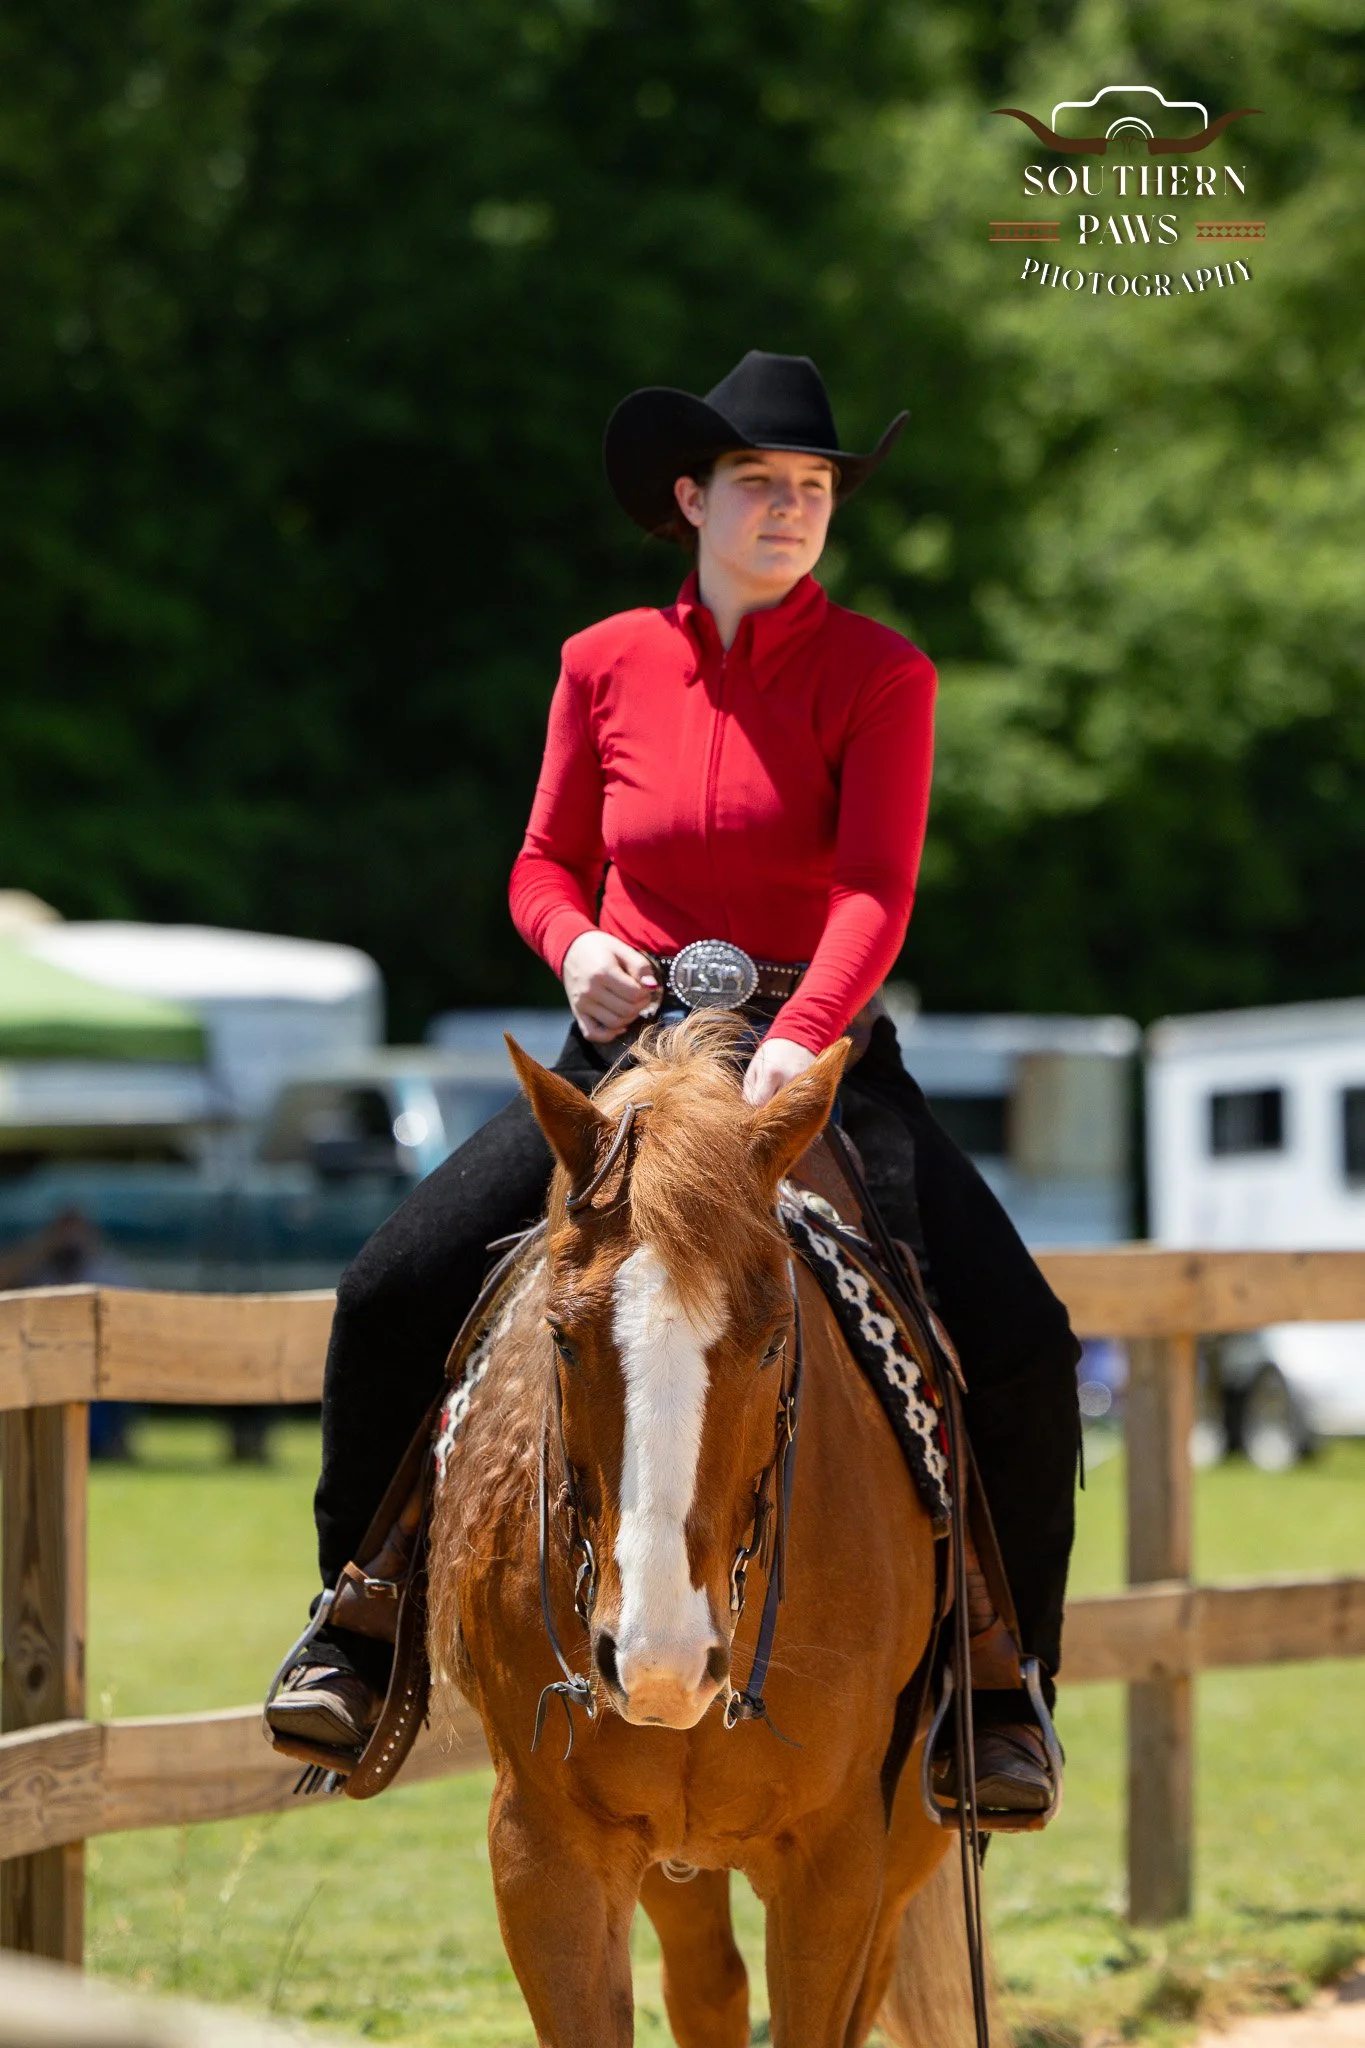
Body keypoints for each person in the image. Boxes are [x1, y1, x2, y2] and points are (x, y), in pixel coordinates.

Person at [265, 350, 1081, 1814]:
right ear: (690, 500)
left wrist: (803, 1033)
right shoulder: (601, 663)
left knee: (1019, 1339)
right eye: (761, 486)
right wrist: (571, 945)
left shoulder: (885, 673)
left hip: (808, 1063)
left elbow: (874, 891)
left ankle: (996, 1682)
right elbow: (541, 862)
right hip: (626, 1057)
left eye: (815, 489)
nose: (790, 512)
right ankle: (364, 1616)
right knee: (392, 1288)